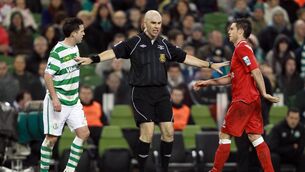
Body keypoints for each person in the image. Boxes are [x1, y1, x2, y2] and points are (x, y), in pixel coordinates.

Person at [76, 10, 229, 172]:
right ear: (144, 24)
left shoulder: (164, 44)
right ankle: (141, 168)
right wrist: (92, 59)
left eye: (159, 23)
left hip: (161, 93)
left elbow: (185, 58)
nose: (156, 26)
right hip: (141, 93)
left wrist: (210, 64)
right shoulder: (133, 42)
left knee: (169, 133)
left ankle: (163, 169)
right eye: (153, 23)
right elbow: (112, 53)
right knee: (147, 133)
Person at [193, 18, 280, 172]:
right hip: (251, 101)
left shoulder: (242, 48)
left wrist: (265, 93)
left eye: (232, 29)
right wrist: (207, 82)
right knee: (255, 137)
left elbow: (256, 70)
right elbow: (230, 78)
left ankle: (215, 170)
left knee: (224, 134)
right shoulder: (241, 50)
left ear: (240, 31)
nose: (229, 31)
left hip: (243, 100)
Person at [39, 17, 90, 172]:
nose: (84, 34)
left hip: (73, 100)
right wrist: (54, 99)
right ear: (74, 33)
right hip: (58, 100)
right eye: (81, 31)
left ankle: (69, 170)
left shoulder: (75, 48)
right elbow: (47, 75)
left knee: (83, 133)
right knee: (51, 139)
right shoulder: (57, 51)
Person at [268, 108, 305, 172]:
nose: (293, 121)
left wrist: (287, 148)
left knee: (303, 157)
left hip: (294, 155)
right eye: (291, 118)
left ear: (299, 119)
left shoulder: (302, 129)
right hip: (280, 156)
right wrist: (291, 147)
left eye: (296, 118)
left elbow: (300, 148)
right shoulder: (277, 128)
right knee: (273, 157)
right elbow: (273, 148)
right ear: (287, 117)